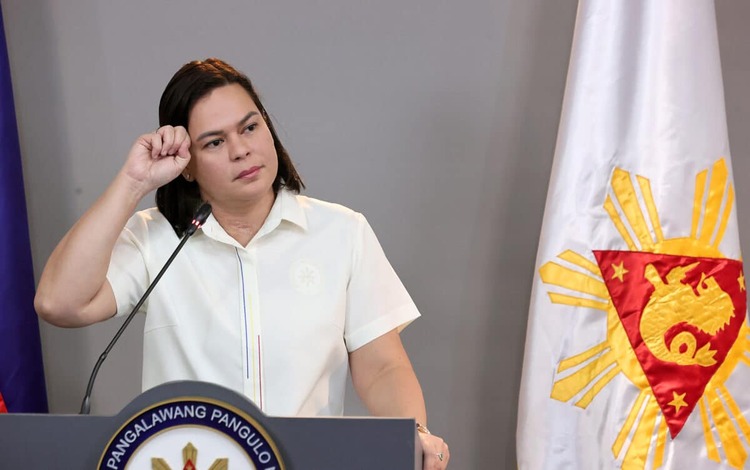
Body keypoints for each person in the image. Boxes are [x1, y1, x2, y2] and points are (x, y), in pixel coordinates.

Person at [34, 58, 449, 469]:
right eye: (214, 142)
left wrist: (415, 434)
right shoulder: (154, 238)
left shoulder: (342, 232)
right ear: (187, 165)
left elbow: (382, 366)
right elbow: (59, 303)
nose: (241, 150)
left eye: (250, 127)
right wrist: (133, 183)